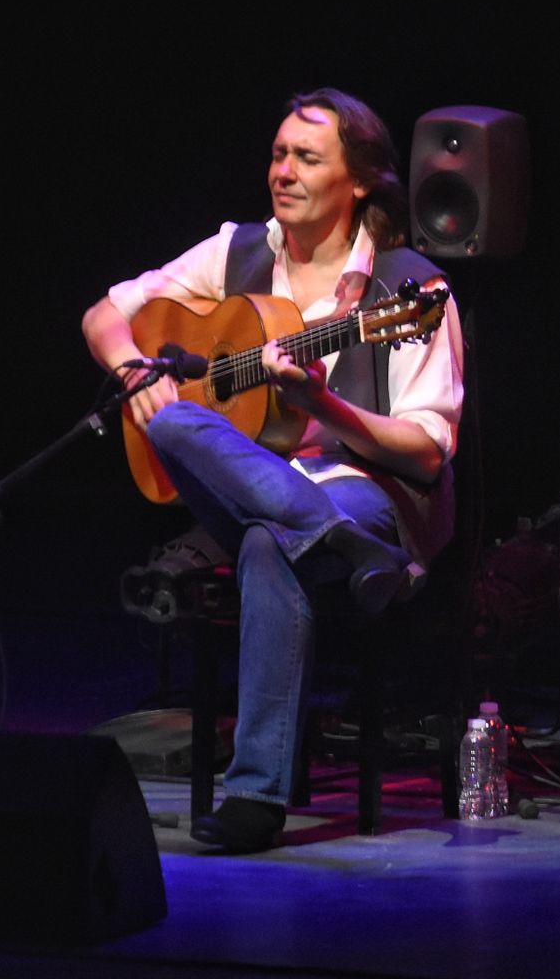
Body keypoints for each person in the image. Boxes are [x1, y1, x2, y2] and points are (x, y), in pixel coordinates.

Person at [81, 87, 466, 852]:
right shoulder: (238, 253)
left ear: (357, 181)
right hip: (274, 489)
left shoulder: (407, 288)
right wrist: (133, 370)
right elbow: (105, 313)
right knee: (178, 417)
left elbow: (428, 450)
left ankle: (255, 800)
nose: (282, 172)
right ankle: (340, 549)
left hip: (373, 493)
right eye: (279, 154)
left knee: (266, 543)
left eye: (307, 158)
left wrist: (325, 410)